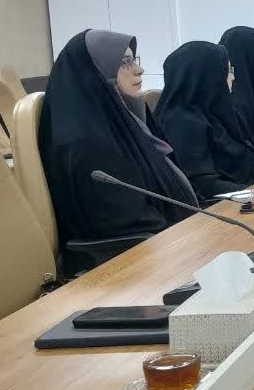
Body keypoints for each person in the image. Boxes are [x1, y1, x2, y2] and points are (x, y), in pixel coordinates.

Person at [39, 30, 197, 273]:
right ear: (96, 72)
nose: (139, 70)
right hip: (130, 265)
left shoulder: (127, 122)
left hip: (165, 246)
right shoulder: (84, 143)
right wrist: (194, 239)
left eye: (135, 60)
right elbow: (123, 223)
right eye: (125, 62)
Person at [155, 41, 254, 201]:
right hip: (221, 207)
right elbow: (204, 185)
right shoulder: (182, 123)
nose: (233, 77)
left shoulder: (214, 111)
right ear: (208, 76)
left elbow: (250, 158)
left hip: (244, 193)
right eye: (228, 71)